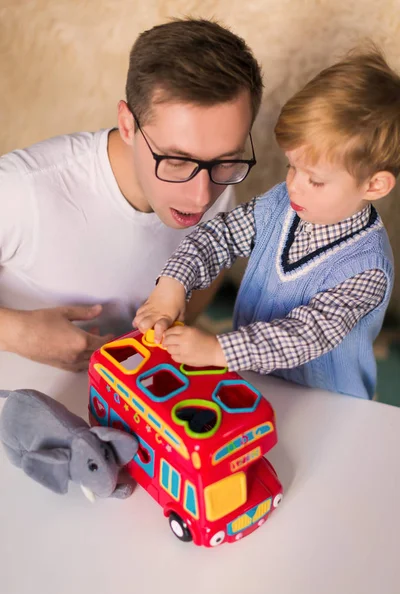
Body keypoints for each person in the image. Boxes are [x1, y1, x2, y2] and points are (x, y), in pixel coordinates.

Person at [134, 47, 399, 400]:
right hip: (251, 381)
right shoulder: (280, 204)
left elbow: (306, 333)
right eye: (293, 167)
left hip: (326, 403)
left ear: (374, 185)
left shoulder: (366, 269)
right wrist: (173, 283)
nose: (294, 184)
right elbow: (220, 236)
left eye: (315, 179)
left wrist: (220, 352)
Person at [0, 18, 263, 371]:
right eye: (177, 161)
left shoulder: (220, 187)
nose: (202, 197)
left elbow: (210, 268)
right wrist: (14, 333)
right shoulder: (23, 189)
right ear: (127, 124)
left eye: (225, 161)